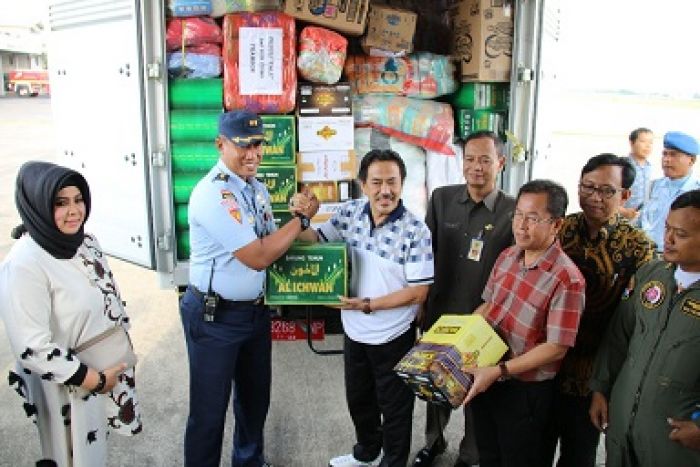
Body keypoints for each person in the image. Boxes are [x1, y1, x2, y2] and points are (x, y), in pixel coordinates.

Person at [179, 110, 318, 467]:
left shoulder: (255, 188)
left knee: (254, 403)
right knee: (209, 413)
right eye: (243, 146)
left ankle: (249, 462)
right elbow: (257, 256)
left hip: (254, 313)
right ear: (220, 145)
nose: (253, 154)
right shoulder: (213, 195)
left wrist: (306, 219)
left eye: (258, 145)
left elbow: (276, 238)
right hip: (215, 318)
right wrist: (299, 220)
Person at [292, 149, 434, 467]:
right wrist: (301, 217)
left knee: (395, 409)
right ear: (362, 184)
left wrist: (369, 304)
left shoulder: (415, 230)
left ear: (402, 184)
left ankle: (393, 462)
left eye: (392, 182)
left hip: (393, 334)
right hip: (355, 331)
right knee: (360, 400)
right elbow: (313, 240)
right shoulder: (349, 213)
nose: (385, 190)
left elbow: (419, 292)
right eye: (377, 182)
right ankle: (367, 453)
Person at [0, 161, 142, 467]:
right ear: (36, 206)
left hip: (102, 373)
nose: (74, 210)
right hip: (66, 387)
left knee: (93, 453)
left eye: (79, 200)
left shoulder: (86, 243)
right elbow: (31, 348)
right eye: (60, 203)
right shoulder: (25, 264)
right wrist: (93, 379)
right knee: (71, 455)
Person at [461, 179, 585, 467]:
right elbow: (489, 306)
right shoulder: (507, 256)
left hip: (524, 390)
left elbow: (556, 347)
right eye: (518, 215)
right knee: (488, 453)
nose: (521, 225)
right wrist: (451, 342)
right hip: (487, 374)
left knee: (520, 459)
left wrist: (500, 370)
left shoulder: (568, 279)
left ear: (557, 224)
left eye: (533, 218)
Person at [546, 154, 656, 466]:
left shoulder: (638, 247)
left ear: (625, 196)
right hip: (545, 361)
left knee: (579, 454)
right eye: (587, 187)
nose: (594, 197)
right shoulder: (560, 229)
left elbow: (637, 321)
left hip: (593, 374)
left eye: (606, 191)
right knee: (532, 446)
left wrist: (607, 386)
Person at [413, 130, 515, 467]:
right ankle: (434, 443)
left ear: (500, 162)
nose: (476, 167)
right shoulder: (442, 199)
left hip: (484, 319)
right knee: (435, 384)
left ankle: (470, 454)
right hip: (441, 314)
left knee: (477, 389)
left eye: (485, 160)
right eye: (470, 159)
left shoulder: (512, 211)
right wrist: (421, 303)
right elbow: (425, 256)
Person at [589, 189, 700, 466]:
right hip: (624, 423)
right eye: (667, 228)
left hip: (675, 440)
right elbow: (619, 336)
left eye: (681, 234)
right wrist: (601, 388)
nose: (669, 239)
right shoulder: (651, 275)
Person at [640, 131, 700, 251]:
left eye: (673, 155)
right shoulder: (653, 186)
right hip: (648, 255)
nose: (666, 160)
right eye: (665, 154)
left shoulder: (696, 193)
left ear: (691, 160)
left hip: (679, 258)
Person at [619, 128, 655, 223]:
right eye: (643, 141)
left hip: (644, 221)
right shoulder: (623, 165)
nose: (647, 146)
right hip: (624, 218)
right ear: (631, 143)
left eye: (650, 142)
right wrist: (623, 211)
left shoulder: (649, 167)